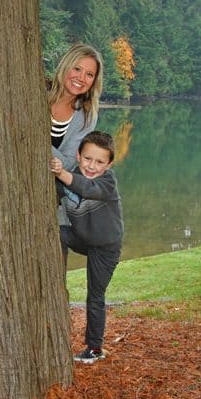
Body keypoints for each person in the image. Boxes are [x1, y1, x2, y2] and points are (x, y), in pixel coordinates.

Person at [50, 131, 123, 364]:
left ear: (109, 164)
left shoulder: (107, 182)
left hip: (105, 247)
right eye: (88, 159)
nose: (92, 166)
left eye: (100, 162)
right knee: (55, 233)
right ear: (78, 155)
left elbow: (87, 189)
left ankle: (94, 349)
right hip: (81, 238)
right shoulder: (68, 178)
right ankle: (54, 279)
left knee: (95, 296)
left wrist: (61, 173)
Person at [49, 43, 104, 227]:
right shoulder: (37, 93)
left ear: (94, 81)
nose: (81, 78)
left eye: (89, 74)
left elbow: (69, 162)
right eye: (77, 69)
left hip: (50, 197)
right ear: (66, 66)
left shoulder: (87, 115)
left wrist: (36, 142)